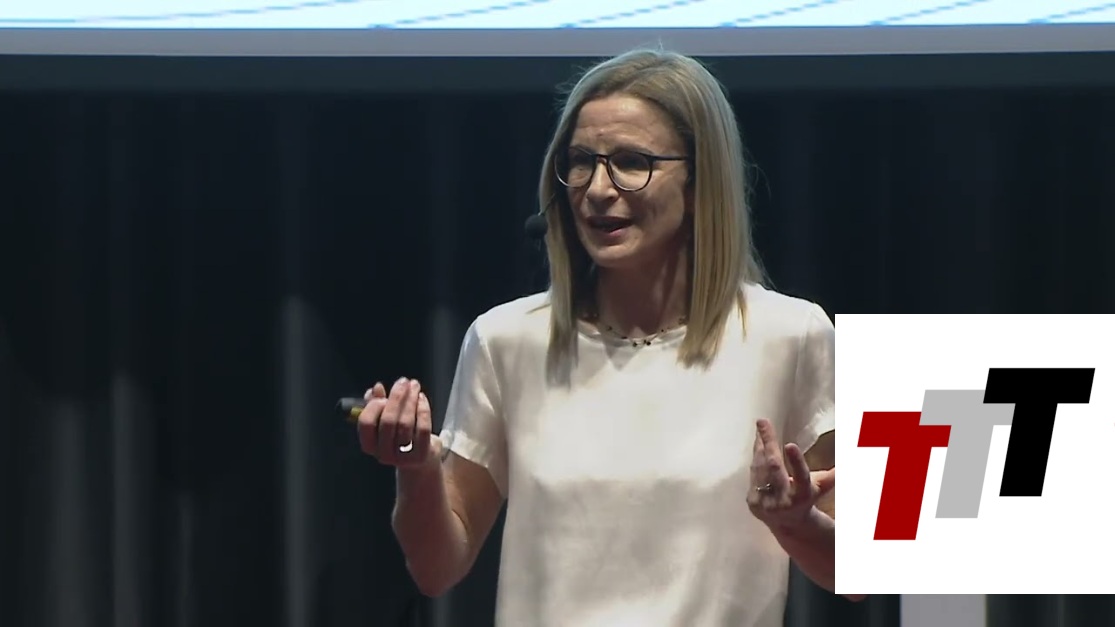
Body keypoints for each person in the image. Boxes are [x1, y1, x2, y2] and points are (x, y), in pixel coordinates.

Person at [357, 47, 862, 626]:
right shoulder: (505, 341)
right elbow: (436, 568)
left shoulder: (791, 335)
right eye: (580, 162)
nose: (597, 188)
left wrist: (795, 523)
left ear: (699, 183)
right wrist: (417, 471)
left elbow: (862, 574)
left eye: (630, 162)